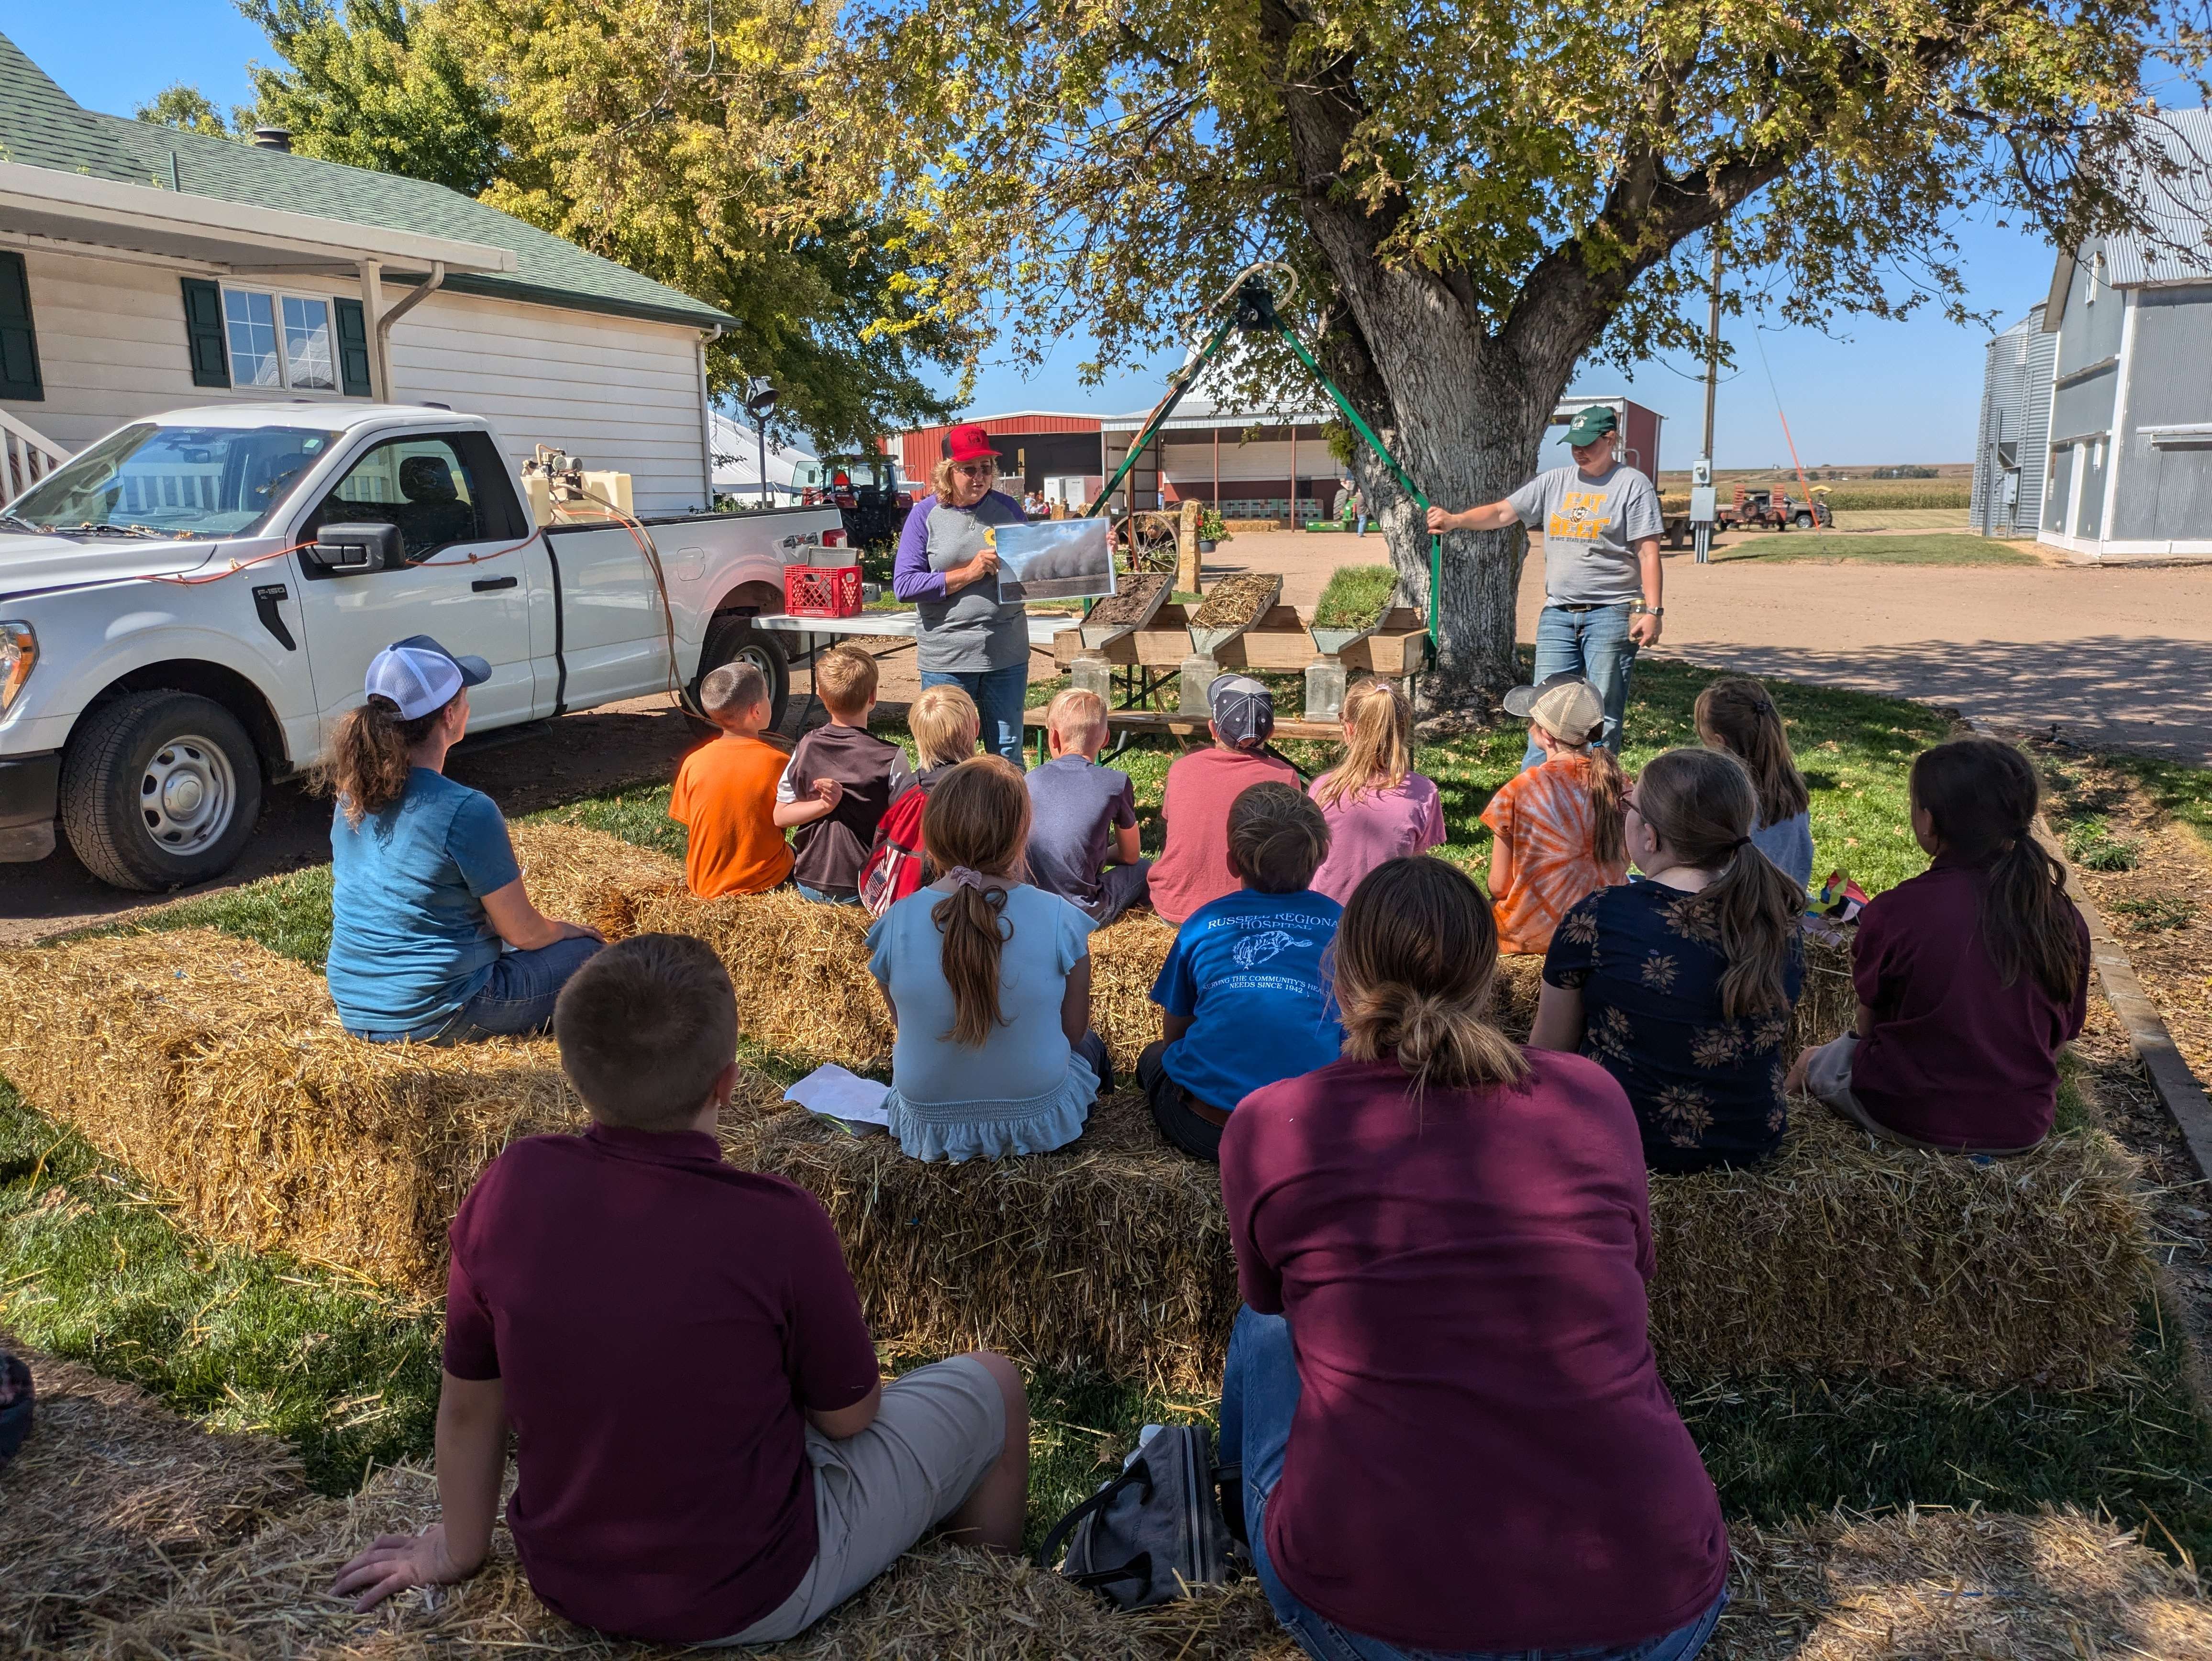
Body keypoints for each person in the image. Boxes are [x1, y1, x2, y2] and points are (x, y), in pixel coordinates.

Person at [329, 934, 1030, 1644]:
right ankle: (979, 1615)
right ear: (726, 1084)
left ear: (571, 1069)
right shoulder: (779, 1222)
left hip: (565, 1578)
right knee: (996, 1384)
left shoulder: (508, 1186)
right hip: (755, 1591)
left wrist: (457, 1547)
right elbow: (849, 1420)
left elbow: (469, 1408)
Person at [1219, 855, 1729, 1661]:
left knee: (1264, 1324)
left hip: (1368, 1613)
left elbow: (1270, 1303)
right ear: (1488, 975)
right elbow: (1632, 1272)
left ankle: (1227, 1519)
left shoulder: (1270, 1122)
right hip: (1649, 1609)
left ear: (1342, 974)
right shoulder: (1590, 1095)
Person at [1788, 737, 2090, 1154]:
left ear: (1928, 822)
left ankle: (1771, 1155)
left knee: (1808, 1061)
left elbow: (1867, 1027)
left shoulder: (1898, 910)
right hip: (2023, 1125)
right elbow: (2061, 1037)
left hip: (1908, 1114)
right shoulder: (2062, 915)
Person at [1530, 748, 1807, 1172]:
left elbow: (1549, 1056)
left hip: (1624, 1141)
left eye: (1629, 804)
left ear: (1650, 835)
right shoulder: (1775, 918)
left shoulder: (1602, 915)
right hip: (1751, 1141)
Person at [321, 635, 604, 1044]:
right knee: (591, 959)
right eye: (465, 698)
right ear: (450, 716)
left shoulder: (351, 798)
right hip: (438, 1012)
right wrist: (570, 930)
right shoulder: (466, 810)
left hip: (356, 1006)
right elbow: (523, 933)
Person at [867, 757, 1107, 1162]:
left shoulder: (894, 923)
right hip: (1036, 1115)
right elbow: (1072, 1032)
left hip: (929, 1120)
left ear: (935, 833)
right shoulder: (1062, 919)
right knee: (1092, 1047)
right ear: (1020, 835)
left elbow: (906, 1023)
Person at [1426, 406, 1663, 761]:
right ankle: (1534, 798)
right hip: (1559, 615)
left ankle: (1596, 796)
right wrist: (1456, 520)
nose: (1579, 451)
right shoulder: (1555, 482)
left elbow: (1648, 553)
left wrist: (1652, 611)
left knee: (1602, 714)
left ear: (1610, 439)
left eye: (1588, 444)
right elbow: (1504, 512)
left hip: (1612, 613)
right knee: (1544, 710)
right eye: (1573, 445)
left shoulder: (1632, 485)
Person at [1139, 783, 1343, 1162]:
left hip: (1208, 1129)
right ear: (1322, 857)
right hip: (1311, 1135)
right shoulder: (1345, 926)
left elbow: (1175, 1036)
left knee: (1152, 1058)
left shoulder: (1203, 923)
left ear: (1233, 862)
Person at [892, 422, 1030, 763]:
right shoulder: (925, 515)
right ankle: (950, 818)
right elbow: (905, 585)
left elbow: (1040, 563)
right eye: (969, 470)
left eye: (986, 468)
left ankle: (1010, 817)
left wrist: (1093, 548)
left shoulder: (1009, 510)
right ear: (947, 472)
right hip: (948, 658)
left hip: (1006, 654)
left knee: (1008, 754)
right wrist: (968, 574)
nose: (979, 477)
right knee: (948, 757)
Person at [1479, 674, 1629, 954]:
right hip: (1606, 931)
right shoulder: (1620, 783)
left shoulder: (1519, 790)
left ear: (1545, 734)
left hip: (1528, 939)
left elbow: (1499, 887)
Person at [1146, 675, 1300, 924]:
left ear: (1213, 729)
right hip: (1247, 914)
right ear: (1271, 733)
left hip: (1176, 909)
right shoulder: (1284, 777)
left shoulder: (1182, 769)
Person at [774, 645, 914, 906]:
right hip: (861, 887)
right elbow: (905, 825)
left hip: (807, 882)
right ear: (873, 697)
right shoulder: (890, 757)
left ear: (822, 697)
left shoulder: (806, 745)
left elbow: (780, 816)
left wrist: (821, 807)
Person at [1306, 678, 1445, 904]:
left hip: (1324, 916)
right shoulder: (1424, 792)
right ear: (1402, 731)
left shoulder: (1323, 789)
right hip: (1388, 918)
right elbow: (1417, 863)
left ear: (1348, 729)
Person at [668, 662, 795, 899]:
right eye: (767, 697)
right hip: (763, 883)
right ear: (756, 711)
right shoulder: (778, 762)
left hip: (702, 885)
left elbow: (694, 823)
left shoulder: (693, 763)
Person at [1024, 687, 1150, 925]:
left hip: (1032, 907)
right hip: (1083, 913)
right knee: (1144, 869)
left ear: (1054, 737)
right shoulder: (1116, 783)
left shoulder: (1030, 779)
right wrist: (1096, 855)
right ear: (1106, 739)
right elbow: (1131, 855)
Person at [860, 683, 979, 914]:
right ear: (975, 729)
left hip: (914, 901)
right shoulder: (988, 791)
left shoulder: (908, 789)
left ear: (917, 736)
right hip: (972, 903)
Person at [1696, 677, 1813, 892]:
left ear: (1720, 743)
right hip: (1788, 908)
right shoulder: (1793, 789)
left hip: (1738, 914)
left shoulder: (1725, 800)